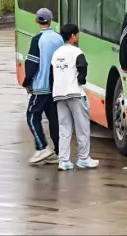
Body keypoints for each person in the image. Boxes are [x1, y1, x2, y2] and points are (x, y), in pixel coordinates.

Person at [49, 23, 97, 171]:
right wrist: (81, 79)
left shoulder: (56, 53)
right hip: (75, 93)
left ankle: (64, 161)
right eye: (77, 34)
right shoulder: (76, 52)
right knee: (82, 127)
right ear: (73, 36)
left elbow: (51, 76)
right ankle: (83, 158)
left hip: (59, 94)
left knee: (64, 128)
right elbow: (83, 67)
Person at [22, 8, 64, 164]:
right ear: (51, 20)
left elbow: (32, 64)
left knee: (32, 116)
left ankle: (42, 148)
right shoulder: (59, 39)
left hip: (41, 86)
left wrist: (27, 82)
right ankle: (60, 153)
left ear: (36, 21)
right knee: (54, 119)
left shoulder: (37, 40)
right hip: (56, 87)